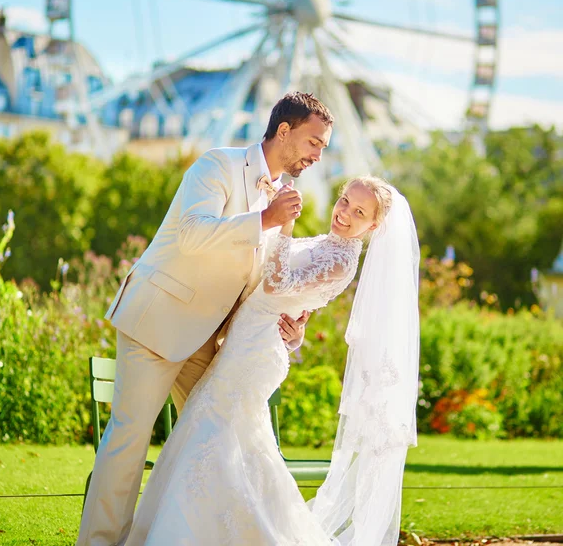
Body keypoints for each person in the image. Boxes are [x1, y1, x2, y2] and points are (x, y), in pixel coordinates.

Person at [76, 92, 334, 546]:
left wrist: (291, 327)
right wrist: (267, 220)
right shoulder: (217, 165)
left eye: (323, 147)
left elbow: (258, 284)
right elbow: (192, 233)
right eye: (314, 142)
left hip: (208, 340)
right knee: (128, 443)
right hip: (158, 320)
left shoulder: (283, 198)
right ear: (284, 131)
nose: (318, 155)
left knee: (219, 440)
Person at [124, 176, 421, 546]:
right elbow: (281, 285)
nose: (344, 213)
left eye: (358, 212)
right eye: (344, 201)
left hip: (256, 353)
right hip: (243, 343)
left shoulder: (342, 262)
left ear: (373, 226)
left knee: (216, 432)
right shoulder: (326, 243)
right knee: (231, 437)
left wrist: (285, 223)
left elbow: (279, 284)